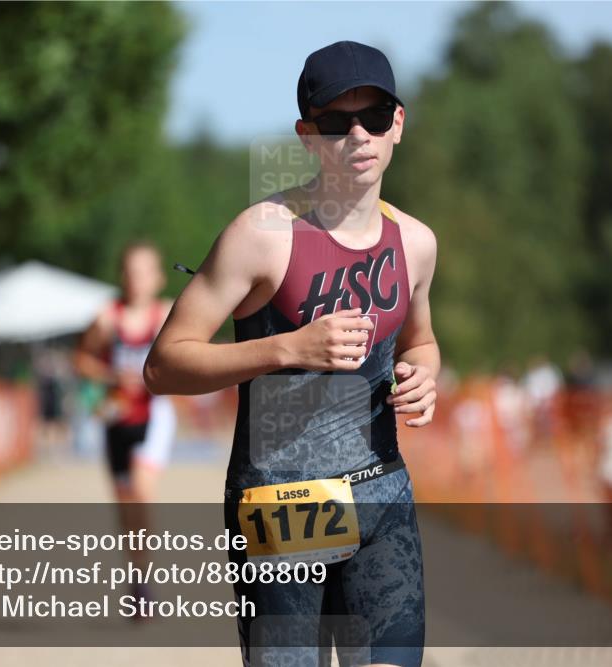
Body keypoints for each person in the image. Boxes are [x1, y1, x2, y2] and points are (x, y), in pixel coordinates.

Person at [145, 41, 439, 667]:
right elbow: (164, 364)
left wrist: (425, 374)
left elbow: (420, 340)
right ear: (308, 135)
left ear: (399, 125)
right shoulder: (262, 234)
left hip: (382, 495)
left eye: (375, 117)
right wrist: (286, 347)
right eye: (336, 121)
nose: (358, 135)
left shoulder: (415, 242)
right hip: (282, 502)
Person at [74, 241, 176, 604]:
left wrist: (156, 376)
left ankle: (144, 580)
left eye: (145, 271)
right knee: (125, 504)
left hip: (154, 414)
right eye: (131, 272)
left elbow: (184, 359)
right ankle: (139, 575)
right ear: (122, 276)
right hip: (116, 414)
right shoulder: (107, 317)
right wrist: (111, 375)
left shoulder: (166, 316)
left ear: (159, 277)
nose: (137, 280)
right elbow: (81, 360)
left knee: (141, 493)